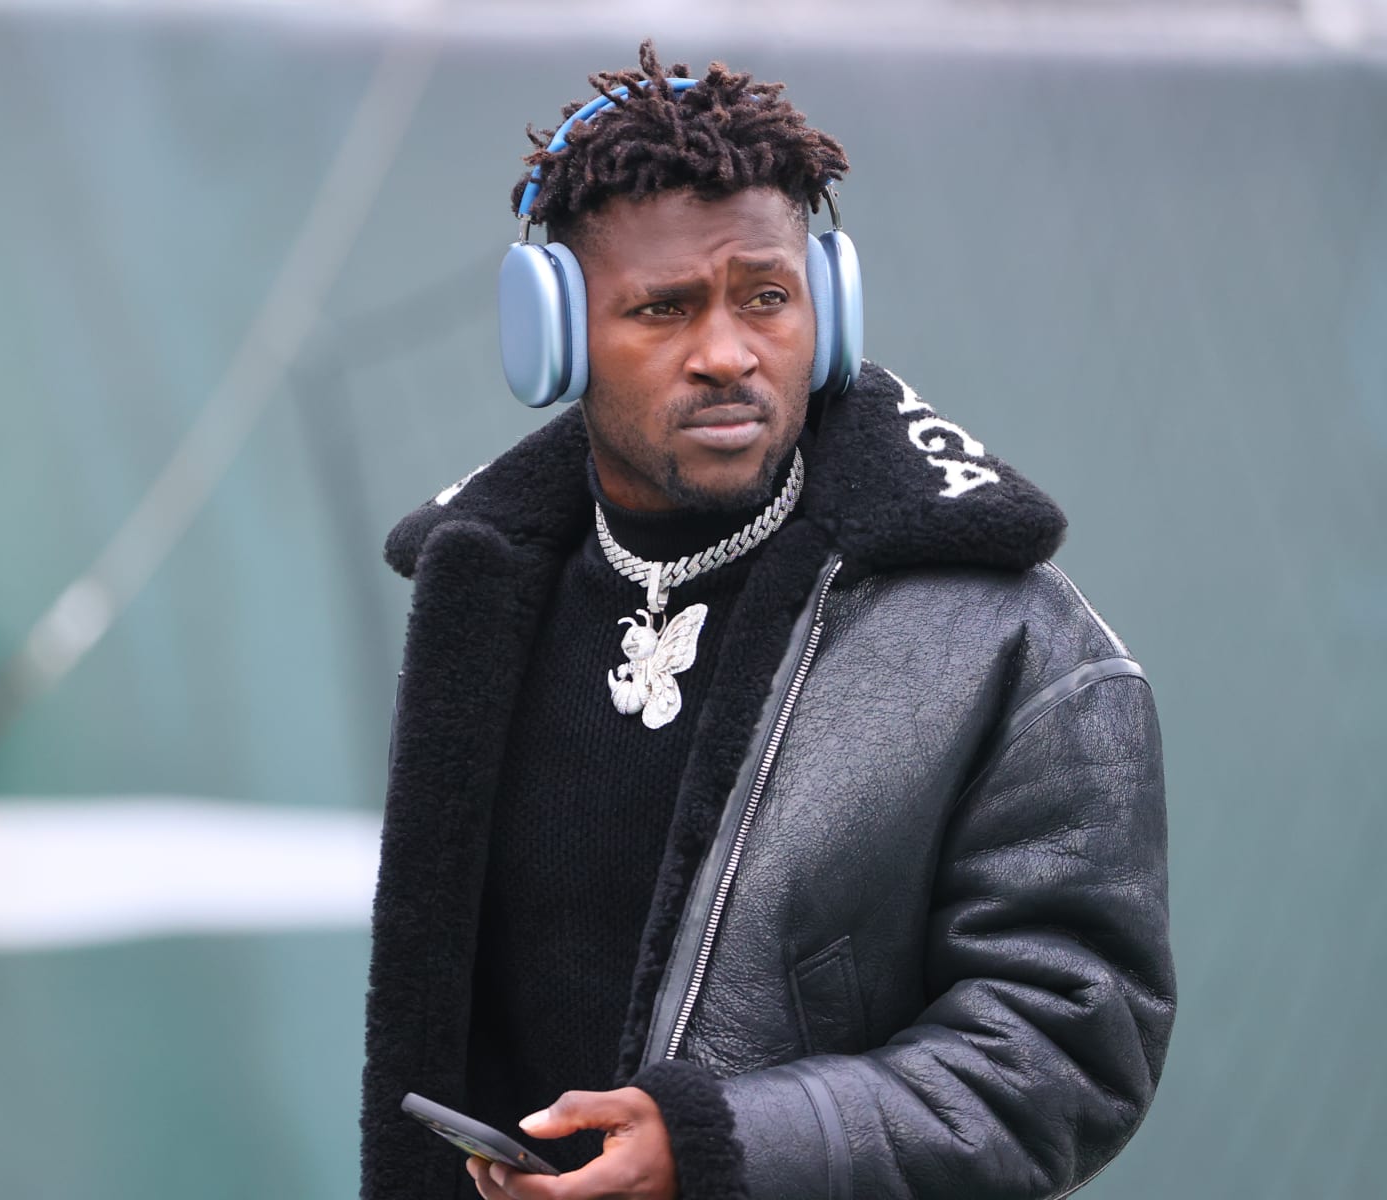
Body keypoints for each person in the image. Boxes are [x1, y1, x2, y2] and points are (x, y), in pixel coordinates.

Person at [361, 41, 1175, 1200]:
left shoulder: (1008, 639)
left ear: (826, 305)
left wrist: (722, 1146)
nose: (729, 353)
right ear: (552, 338)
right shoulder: (479, 597)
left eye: (765, 297)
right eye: (663, 310)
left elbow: (1071, 1047)